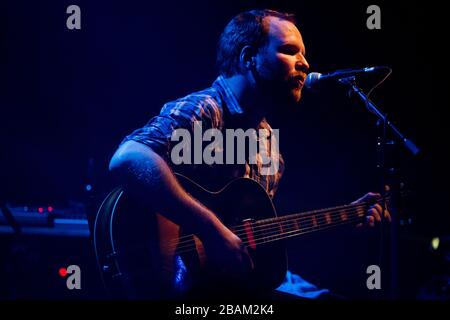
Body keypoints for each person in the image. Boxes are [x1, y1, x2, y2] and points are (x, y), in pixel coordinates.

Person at [108, 9, 390, 299]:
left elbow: (254, 239)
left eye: (303, 54)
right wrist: (211, 229)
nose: (304, 64)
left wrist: (344, 219)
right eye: (289, 51)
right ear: (248, 58)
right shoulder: (206, 110)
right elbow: (128, 159)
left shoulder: (270, 149)